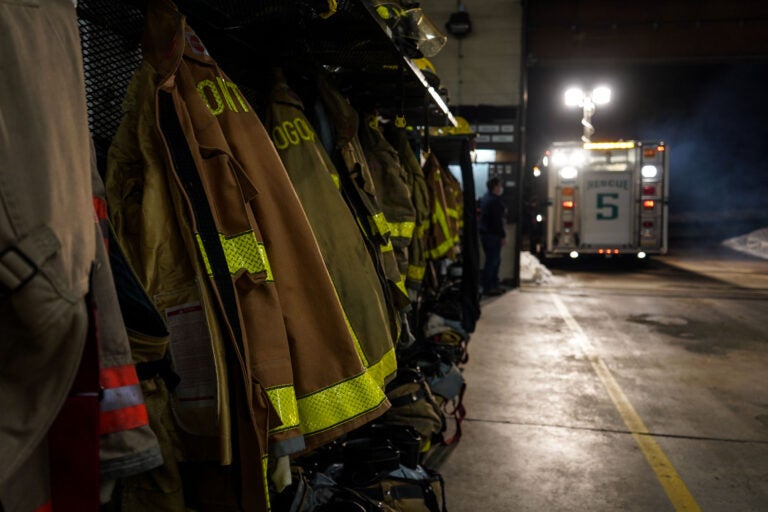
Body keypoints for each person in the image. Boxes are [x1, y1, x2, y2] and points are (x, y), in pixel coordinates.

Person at [478, 176, 507, 296]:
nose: (501, 188)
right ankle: (489, 287)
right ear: (495, 187)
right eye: (500, 186)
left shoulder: (485, 198)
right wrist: (502, 236)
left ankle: (493, 285)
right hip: (493, 236)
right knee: (492, 262)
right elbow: (497, 221)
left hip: (485, 234)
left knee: (493, 261)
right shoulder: (495, 201)